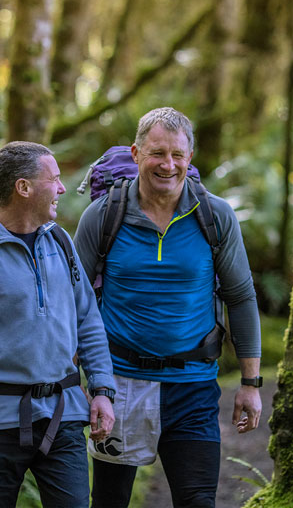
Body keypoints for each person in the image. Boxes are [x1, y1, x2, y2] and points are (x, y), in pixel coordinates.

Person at [73, 108, 262, 508]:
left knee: (198, 500)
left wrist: (250, 384)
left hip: (192, 386)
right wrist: (77, 378)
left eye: (178, 154)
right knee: (109, 500)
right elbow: (72, 298)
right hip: (118, 384)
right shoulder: (104, 215)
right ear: (136, 153)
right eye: (158, 153)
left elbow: (241, 296)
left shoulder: (215, 216)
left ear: (190, 158)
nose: (168, 164)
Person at [0, 141, 116, 508]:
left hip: (64, 417)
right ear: (23, 188)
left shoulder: (60, 242)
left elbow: (88, 320)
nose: (61, 188)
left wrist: (103, 389)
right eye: (54, 179)